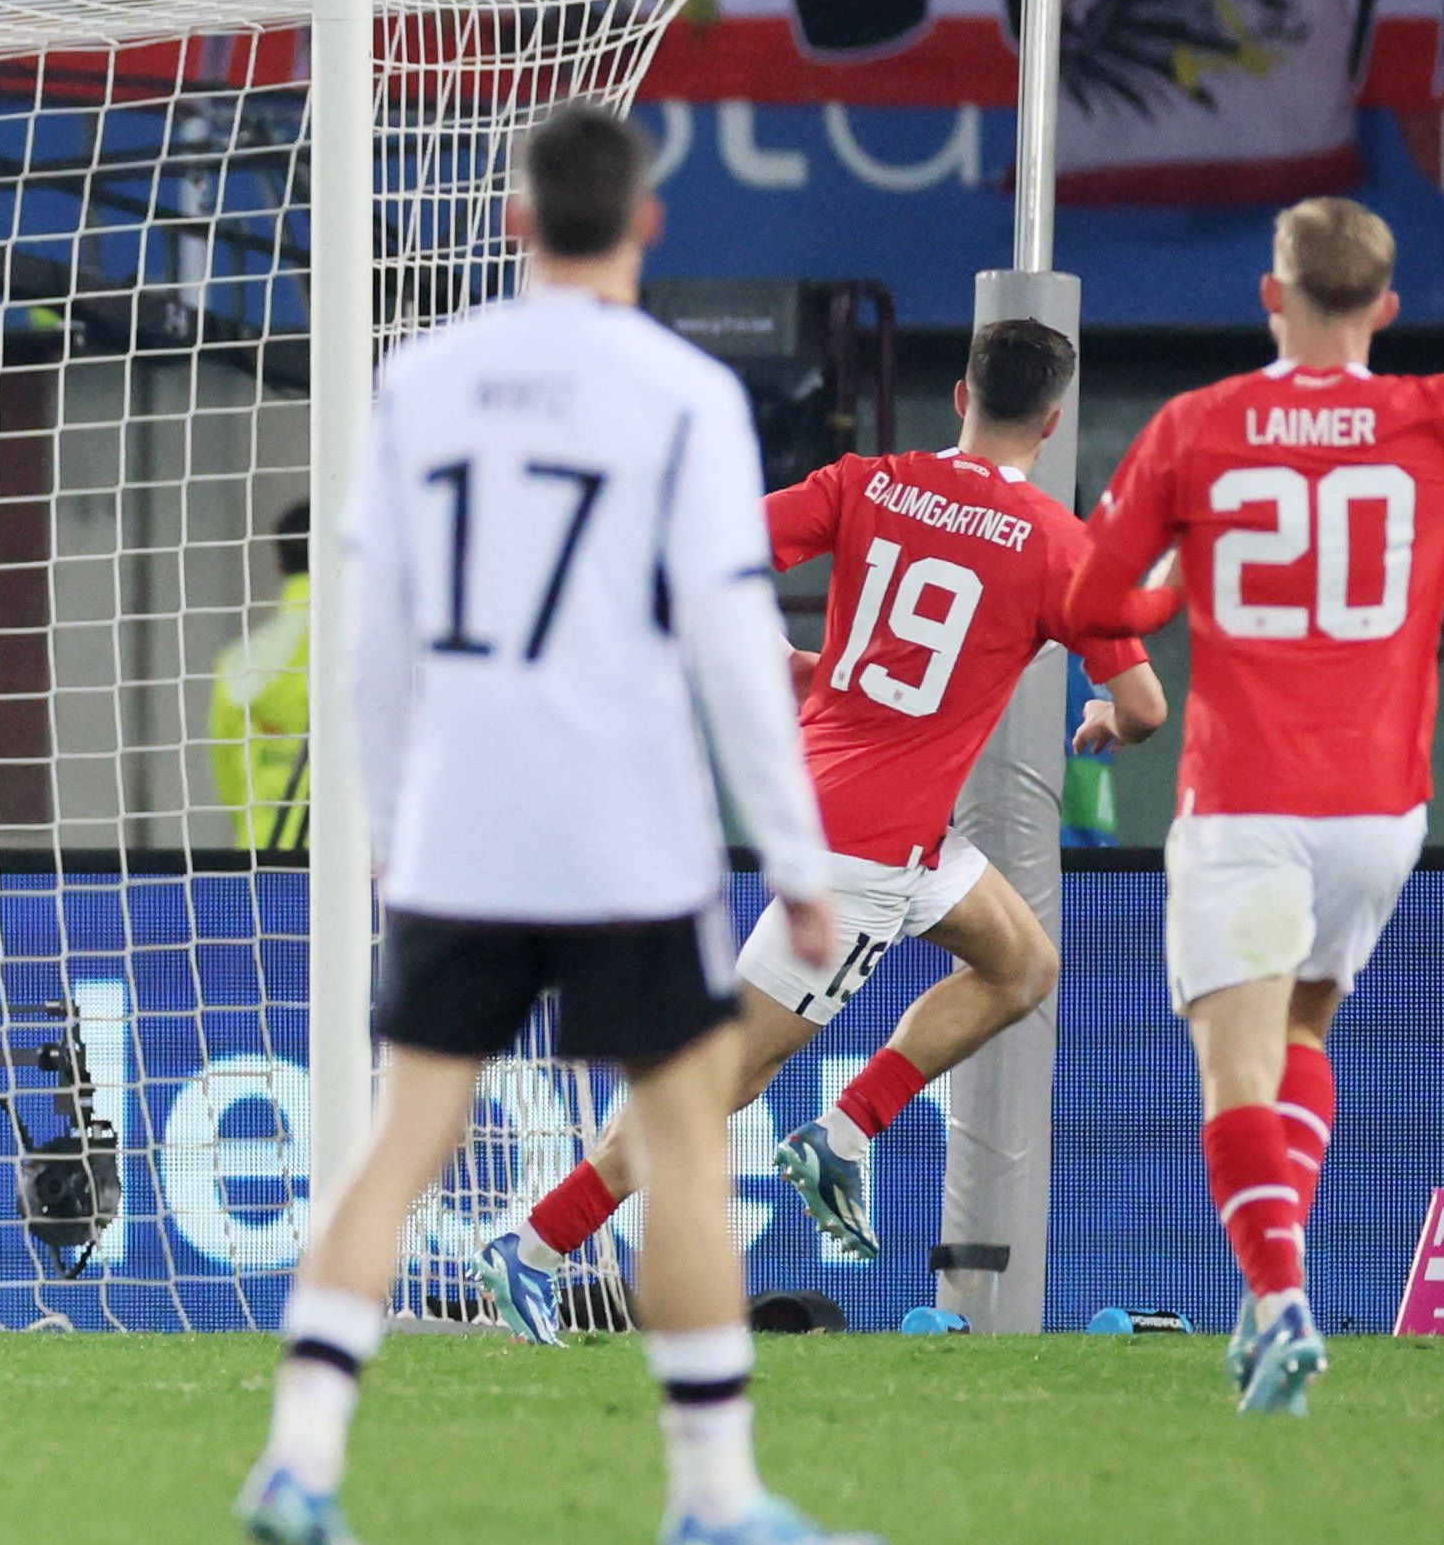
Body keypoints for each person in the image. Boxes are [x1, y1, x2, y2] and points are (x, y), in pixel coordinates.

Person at [233, 105, 880, 1545]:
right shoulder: (680, 393)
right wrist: (792, 847)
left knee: (402, 1139)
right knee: (682, 1151)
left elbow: (370, 630)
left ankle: (299, 1452)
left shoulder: (422, 377)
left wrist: (388, 818)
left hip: (462, 821)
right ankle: (713, 1493)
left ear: (515, 222)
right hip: (622, 832)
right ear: (644, 225)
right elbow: (729, 637)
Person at [479, 318, 1168, 1337]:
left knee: (1019, 964)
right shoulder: (1061, 549)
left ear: (957, 393)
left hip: (872, 818)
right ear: (1054, 421)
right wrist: (1106, 716)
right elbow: (1145, 706)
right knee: (725, 1073)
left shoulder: (865, 482)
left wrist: (786, 659)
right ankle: (531, 1246)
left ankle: (842, 1135)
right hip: (863, 848)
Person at [1063, 196, 1444, 1417]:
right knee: (1303, 1039)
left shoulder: (1196, 426)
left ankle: (1280, 1299)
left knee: (1232, 1074)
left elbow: (1090, 598)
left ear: (1268, 295)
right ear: (1384, 308)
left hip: (1243, 800)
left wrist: (1182, 579)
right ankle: (1258, 1299)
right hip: (1380, 807)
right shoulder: (1428, 423)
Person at [208, 498, 311, 851]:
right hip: (358, 865)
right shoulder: (368, 651)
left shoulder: (241, 660)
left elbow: (227, 768)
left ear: (280, 564)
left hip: (265, 854)